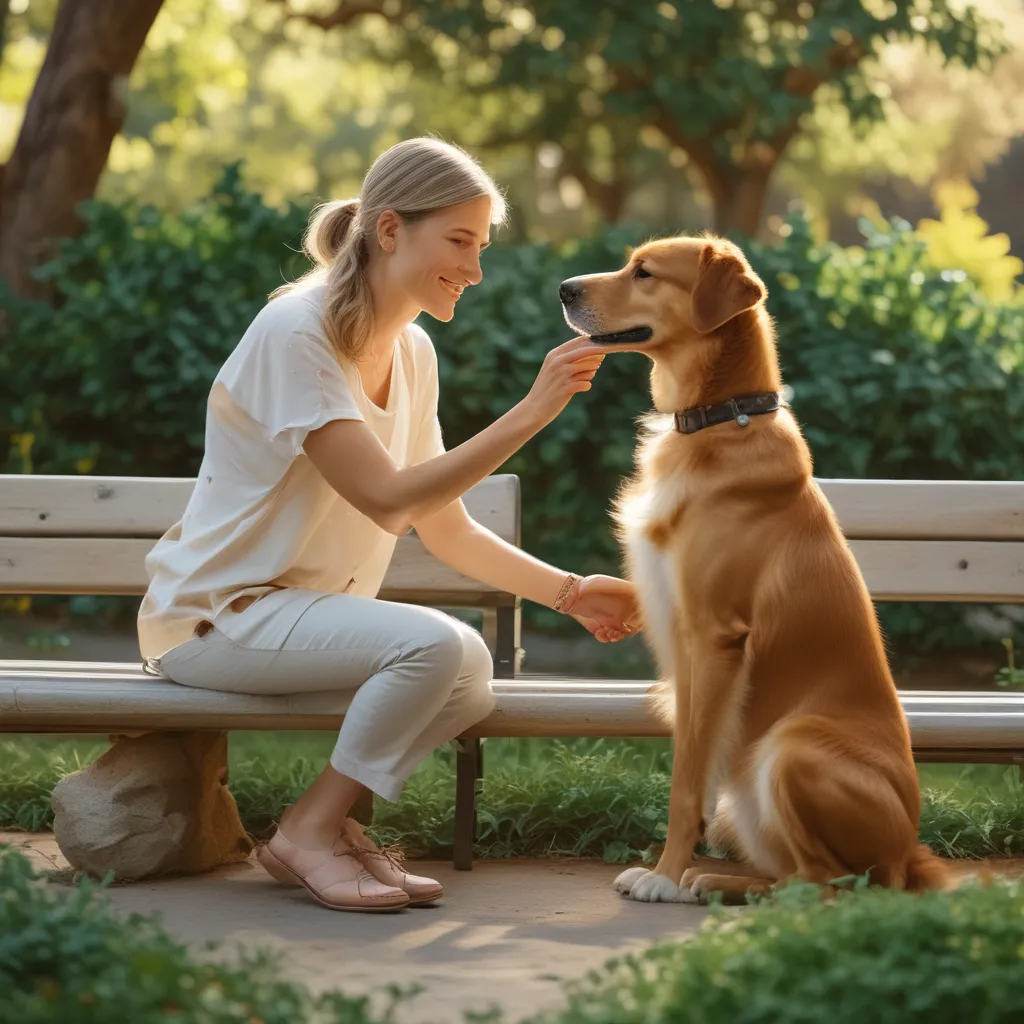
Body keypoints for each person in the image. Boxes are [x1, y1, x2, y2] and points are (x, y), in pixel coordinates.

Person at [137, 137, 639, 913]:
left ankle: (328, 829)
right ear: (391, 229)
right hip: (216, 618)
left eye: (481, 246)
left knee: (468, 672)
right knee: (435, 645)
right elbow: (389, 502)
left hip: (290, 620)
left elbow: (447, 529)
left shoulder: (413, 351)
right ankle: (309, 832)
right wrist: (534, 410)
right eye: (461, 242)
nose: (475, 270)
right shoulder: (296, 332)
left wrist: (573, 593)